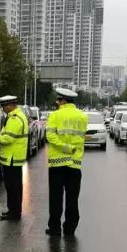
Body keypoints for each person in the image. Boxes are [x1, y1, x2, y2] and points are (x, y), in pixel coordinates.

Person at [45, 88, 88, 237]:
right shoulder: (83, 117)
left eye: (58, 100)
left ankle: (55, 228)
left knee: (55, 198)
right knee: (72, 198)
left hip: (57, 164)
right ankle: (70, 228)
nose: (57, 103)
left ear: (63, 100)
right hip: (75, 164)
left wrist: (65, 148)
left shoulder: (55, 115)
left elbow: (50, 136)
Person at [0, 95, 29, 221]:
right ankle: (14, 211)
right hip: (14, 157)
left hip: (12, 157)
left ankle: (14, 213)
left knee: (12, 187)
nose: (3, 109)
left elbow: (8, 138)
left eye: (4, 106)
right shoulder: (17, 116)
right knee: (14, 186)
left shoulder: (14, 118)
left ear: (10, 105)